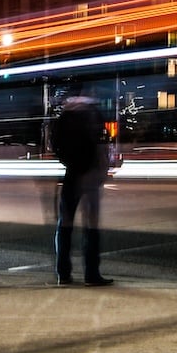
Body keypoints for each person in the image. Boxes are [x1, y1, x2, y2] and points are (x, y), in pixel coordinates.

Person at [51, 83, 114, 286]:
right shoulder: (93, 114)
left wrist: (69, 162)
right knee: (91, 225)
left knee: (65, 225)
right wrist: (101, 166)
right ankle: (92, 273)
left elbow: (56, 144)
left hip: (72, 174)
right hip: (91, 175)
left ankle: (63, 273)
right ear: (87, 93)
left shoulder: (65, 116)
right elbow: (101, 142)